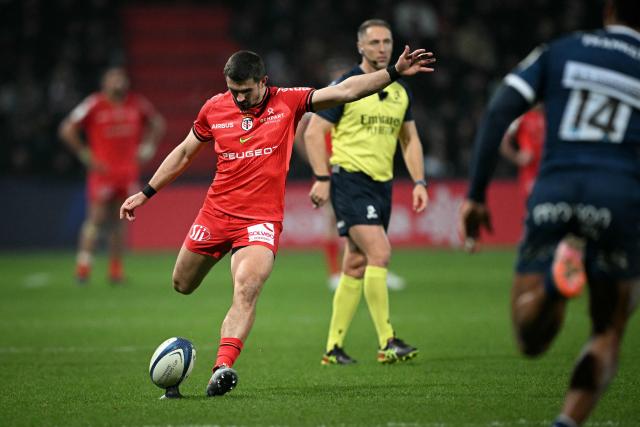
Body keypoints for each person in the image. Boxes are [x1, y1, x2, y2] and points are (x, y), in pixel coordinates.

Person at [120, 48, 435, 396]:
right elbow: (183, 152)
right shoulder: (214, 108)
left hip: (260, 220)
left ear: (263, 82)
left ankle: (222, 367)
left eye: (247, 91)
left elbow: (346, 91)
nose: (239, 98)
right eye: (233, 90)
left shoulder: (288, 101)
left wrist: (393, 71)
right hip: (215, 214)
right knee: (182, 283)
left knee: (247, 287)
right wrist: (146, 193)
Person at [460, 1, 639, 425]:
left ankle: (556, 286)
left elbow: (499, 110)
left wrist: (476, 194)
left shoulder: (559, 50)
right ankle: (568, 420)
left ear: (608, 8)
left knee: (530, 338)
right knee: (607, 330)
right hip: (618, 195)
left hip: (555, 186)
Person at [305, 19, 429, 365]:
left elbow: (410, 139)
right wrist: (322, 178)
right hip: (350, 181)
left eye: (387, 41)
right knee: (381, 253)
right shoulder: (346, 86)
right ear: (360, 47)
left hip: (382, 184)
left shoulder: (401, 91)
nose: (382, 48)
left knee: (357, 262)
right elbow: (313, 132)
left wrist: (419, 181)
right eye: (374, 42)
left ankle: (333, 347)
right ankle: (387, 340)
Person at [59, 67, 165, 283]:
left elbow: (157, 123)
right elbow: (67, 128)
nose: (118, 83)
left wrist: (147, 148)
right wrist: (85, 154)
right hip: (103, 173)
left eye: (121, 79)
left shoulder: (136, 103)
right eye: (113, 79)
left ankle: (115, 271)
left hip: (126, 173)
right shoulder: (94, 104)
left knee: (120, 221)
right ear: (104, 83)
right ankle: (83, 268)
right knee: (96, 219)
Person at [499, 105, 545, 199]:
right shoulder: (522, 118)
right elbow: (503, 142)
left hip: (548, 170)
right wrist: (517, 157)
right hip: (530, 173)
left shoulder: (551, 116)